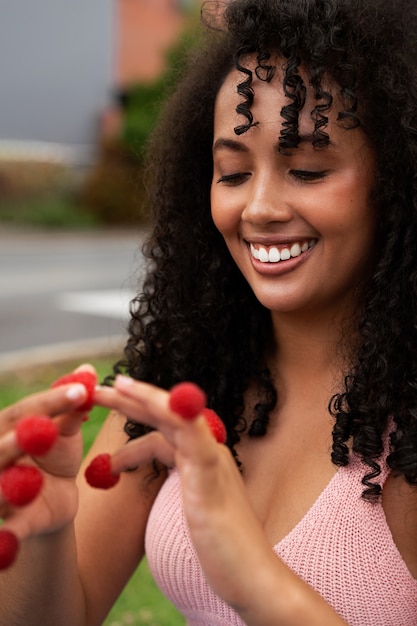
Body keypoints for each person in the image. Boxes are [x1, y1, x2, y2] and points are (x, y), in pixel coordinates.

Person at [0, 0, 416, 623]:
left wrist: (249, 570)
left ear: (400, 182)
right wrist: (47, 530)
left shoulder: (403, 428)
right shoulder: (188, 372)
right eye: (233, 172)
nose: (259, 208)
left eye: (305, 170)